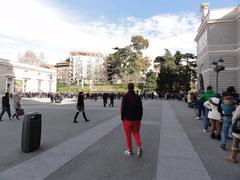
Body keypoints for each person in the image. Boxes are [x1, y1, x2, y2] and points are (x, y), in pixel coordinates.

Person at [121, 83, 143, 157]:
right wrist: (140, 118)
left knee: (128, 135)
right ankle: (139, 146)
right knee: (136, 133)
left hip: (127, 119)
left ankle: (130, 150)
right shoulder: (138, 97)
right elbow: (141, 108)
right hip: (136, 119)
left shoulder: (125, 96)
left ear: (128, 88)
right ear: (133, 88)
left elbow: (122, 108)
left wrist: (122, 118)